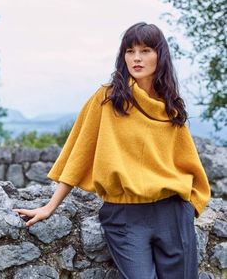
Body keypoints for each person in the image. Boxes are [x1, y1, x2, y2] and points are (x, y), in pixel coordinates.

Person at [13, 22, 211, 279]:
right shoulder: (108, 99)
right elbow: (79, 153)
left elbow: (188, 161)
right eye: (130, 51)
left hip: (172, 213)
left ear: (160, 55)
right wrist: (50, 207)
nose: (137, 58)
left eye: (146, 50)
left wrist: (191, 205)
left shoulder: (170, 105)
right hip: (124, 216)